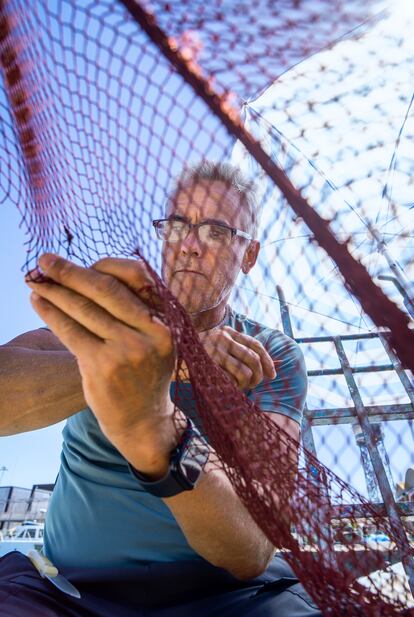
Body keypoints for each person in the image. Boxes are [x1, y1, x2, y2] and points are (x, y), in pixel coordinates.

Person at [0, 161, 320, 616]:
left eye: (215, 231)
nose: (189, 246)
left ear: (249, 256)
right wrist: (161, 361)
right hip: (69, 593)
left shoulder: (271, 355)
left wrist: (158, 427)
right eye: (177, 226)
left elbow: (251, 545)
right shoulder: (108, 319)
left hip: (231, 600)